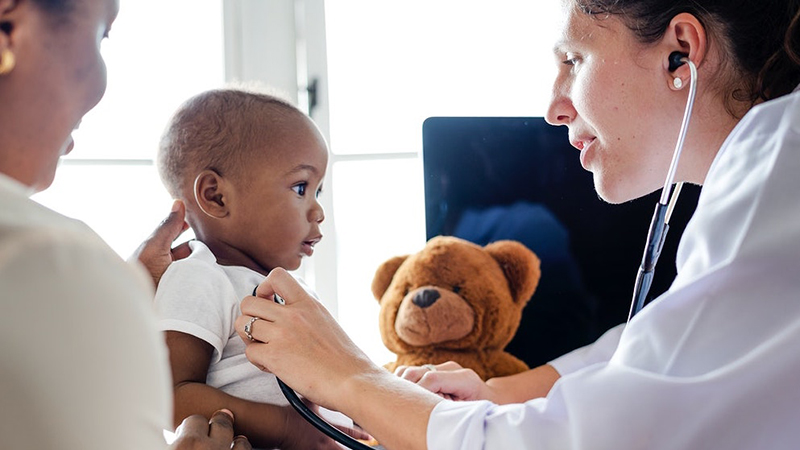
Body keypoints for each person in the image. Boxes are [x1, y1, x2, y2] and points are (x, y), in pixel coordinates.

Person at [229, 0, 800, 449]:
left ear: (680, 52)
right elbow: (657, 353)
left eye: (572, 61)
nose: (554, 105)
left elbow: (597, 439)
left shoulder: (778, 164)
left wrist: (349, 377)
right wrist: (498, 395)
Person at [0, 0, 249, 448]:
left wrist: (127, 288)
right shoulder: (47, 259)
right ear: (8, 24)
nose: (100, 87)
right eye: (102, 35)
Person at [154, 88, 357, 449]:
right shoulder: (200, 276)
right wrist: (287, 428)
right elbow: (170, 396)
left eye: (318, 192)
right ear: (217, 197)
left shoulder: (281, 286)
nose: (318, 212)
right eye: (300, 187)